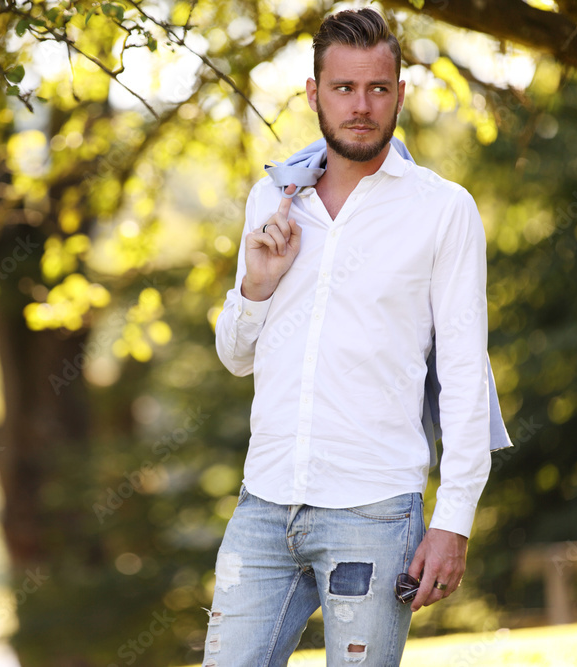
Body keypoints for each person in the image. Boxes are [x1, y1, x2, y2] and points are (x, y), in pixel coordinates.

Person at [206, 8, 498, 666]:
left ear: (400, 91)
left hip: (374, 512)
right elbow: (234, 354)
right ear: (313, 94)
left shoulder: (442, 209)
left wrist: (453, 518)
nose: (361, 106)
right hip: (264, 505)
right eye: (343, 88)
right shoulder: (273, 202)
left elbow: (463, 375)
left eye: (378, 88)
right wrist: (256, 284)